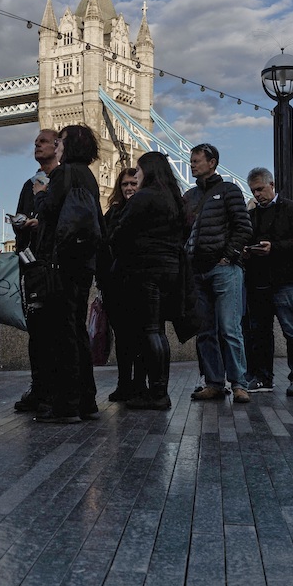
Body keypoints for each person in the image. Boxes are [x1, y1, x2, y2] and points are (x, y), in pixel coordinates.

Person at [30, 124, 101, 423]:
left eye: (61, 140)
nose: (57, 144)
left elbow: (49, 212)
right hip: (83, 263)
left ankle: (66, 404)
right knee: (76, 330)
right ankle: (86, 400)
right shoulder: (89, 176)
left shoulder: (64, 173)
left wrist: (40, 193)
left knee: (62, 333)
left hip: (61, 263)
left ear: (70, 145)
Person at [109, 152, 185, 410]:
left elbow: (121, 233)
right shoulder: (173, 199)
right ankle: (158, 389)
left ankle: (158, 393)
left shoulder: (144, 197)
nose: (136, 177)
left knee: (149, 331)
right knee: (158, 330)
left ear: (149, 171)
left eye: (138, 172)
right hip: (169, 270)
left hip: (145, 269)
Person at [182, 143, 252, 404]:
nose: (192, 165)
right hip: (196, 272)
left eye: (197, 160)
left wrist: (229, 255)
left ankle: (239, 384)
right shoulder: (188, 197)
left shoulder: (229, 190)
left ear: (212, 162)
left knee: (230, 329)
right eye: (190, 161)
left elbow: (243, 227)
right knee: (205, 331)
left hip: (224, 269)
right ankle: (213, 382)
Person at [243, 167, 293, 397]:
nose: (257, 195)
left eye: (260, 189)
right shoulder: (250, 216)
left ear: (272, 185)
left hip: (286, 280)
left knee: (291, 331)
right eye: (253, 191)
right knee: (259, 333)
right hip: (258, 282)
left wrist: (274, 248)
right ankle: (263, 377)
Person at [11, 129, 59, 412]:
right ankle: (38, 386)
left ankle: (54, 390)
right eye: (35, 142)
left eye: (42, 142)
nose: (36, 146)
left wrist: (39, 223)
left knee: (54, 329)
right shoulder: (30, 184)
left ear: (57, 146)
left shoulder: (62, 180)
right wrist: (21, 221)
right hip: (32, 264)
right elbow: (19, 216)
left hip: (54, 264)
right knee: (37, 330)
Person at [102, 167, 140, 401]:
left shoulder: (146, 210)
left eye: (134, 184)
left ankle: (139, 384)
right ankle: (124, 383)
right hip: (115, 282)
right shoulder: (113, 213)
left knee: (140, 335)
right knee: (123, 337)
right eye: (125, 184)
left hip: (138, 280)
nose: (129, 188)